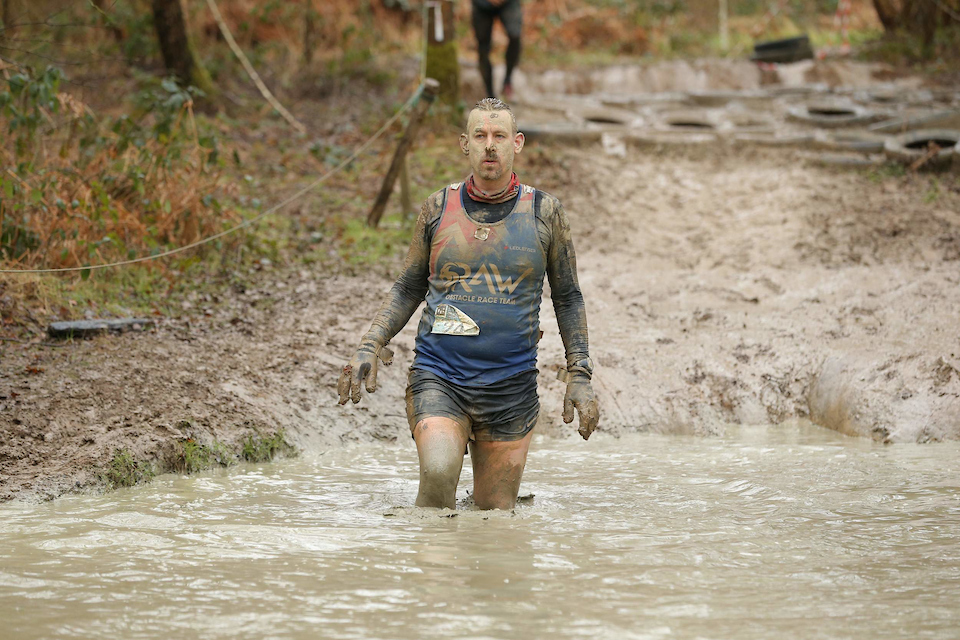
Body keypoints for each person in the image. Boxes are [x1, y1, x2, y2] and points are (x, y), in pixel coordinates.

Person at [338, 98, 599, 511]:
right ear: (465, 144)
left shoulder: (545, 212)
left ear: (518, 143)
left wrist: (579, 373)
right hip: (441, 376)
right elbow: (409, 286)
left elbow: (568, 297)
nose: (489, 146)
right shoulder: (438, 207)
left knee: (496, 515)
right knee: (439, 476)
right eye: (480, 136)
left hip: (511, 385)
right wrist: (370, 343)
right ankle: (435, 567)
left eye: (499, 137)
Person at [471, 0, 523, 99]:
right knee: (483, 48)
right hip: (481, 4)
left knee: (515, 36)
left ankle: (507, 81)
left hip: (508, 3)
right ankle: (490, 95)